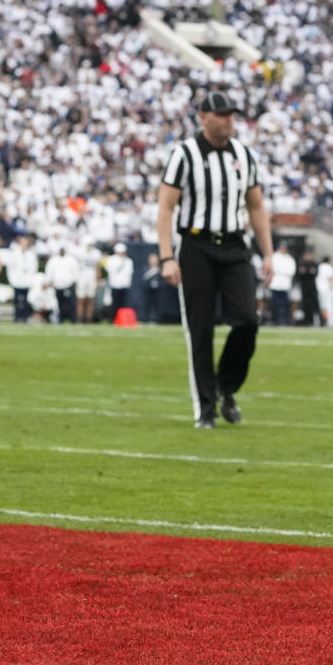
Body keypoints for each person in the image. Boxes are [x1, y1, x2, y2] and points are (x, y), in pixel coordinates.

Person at [157, 89, 274, 430]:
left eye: (231, 115)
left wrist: (267, 253)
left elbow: (256, 205)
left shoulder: (243, 154)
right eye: (221, 115)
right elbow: (166, 207)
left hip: (235, 245)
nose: (228, 121)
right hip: (196, 246)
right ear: (202, 117)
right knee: (201, 328)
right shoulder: (185, 154)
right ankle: (206, 407)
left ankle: (226, 386)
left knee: (247, 320)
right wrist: (167, 256)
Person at [4, 233, 38, 323]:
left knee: (26, 300)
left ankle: (25, 317)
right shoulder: (14, 254)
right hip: (16, 281)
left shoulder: (31, 255)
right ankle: (17, 317)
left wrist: (31, 280)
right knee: (17, 300)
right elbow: (10, 268)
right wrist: (11, 279)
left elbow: (33, 268)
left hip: (26, 281)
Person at [44, 245, 79, 323]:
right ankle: (61, 319)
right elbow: (49, 272)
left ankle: (73, 319)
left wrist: (73, 281)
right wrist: (49, 282)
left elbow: (76, 272)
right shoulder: (53, 260)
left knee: (71, 304)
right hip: (57, 285)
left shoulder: (71, 259)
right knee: (60, 304)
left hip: (69, 285)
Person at [268, 244, 296, 326]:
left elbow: (291, 271)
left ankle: (286, 320)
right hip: (275, 284)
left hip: (285, 285)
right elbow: (273, 269)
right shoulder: (274, 257)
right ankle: (276, 320)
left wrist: (280, 271)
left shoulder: (289, 258)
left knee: (285, 304)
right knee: (275, 303)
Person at [104, 242, 134, 316]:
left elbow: (129, 273)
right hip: (114, 285)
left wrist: (128, 284)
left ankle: (122, 319)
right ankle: (113, 319)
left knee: (123, 304)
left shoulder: (128, 261)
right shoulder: (111, 259)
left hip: (124, 285)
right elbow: (109, 270)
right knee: (114, 303)